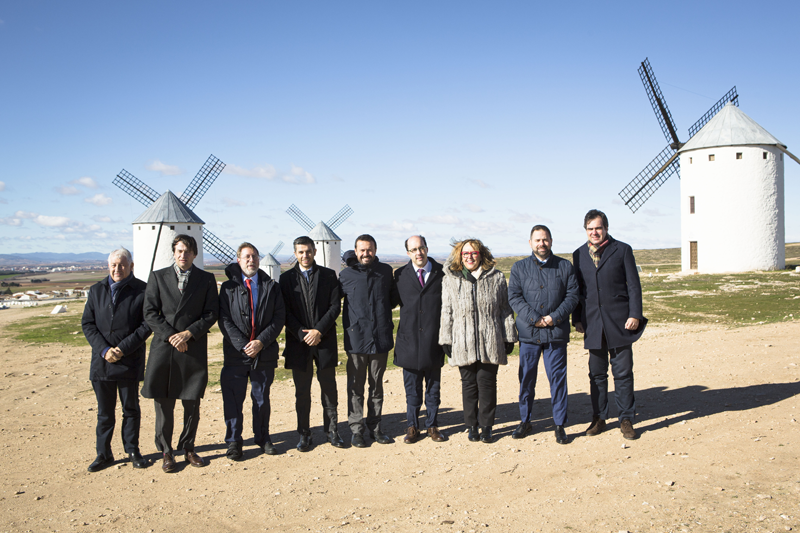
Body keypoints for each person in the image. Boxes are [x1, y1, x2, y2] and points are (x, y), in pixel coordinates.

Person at [142, 234, 219, 472]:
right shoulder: (157, 277)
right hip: (164, 349)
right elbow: (150, 312)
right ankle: (166, 452)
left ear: (195, 253)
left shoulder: (206, 279)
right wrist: (172, 336)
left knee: (191, 403)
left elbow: (211, 313)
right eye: (178, 251)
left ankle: (188, 448)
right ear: (173, 253)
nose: (182, 255)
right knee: (164, 405)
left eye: (187, 251)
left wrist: (188, 334)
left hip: (192, 348)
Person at [572, 209, 647, 440]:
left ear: (606, 228)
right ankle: (599, 417)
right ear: (586, 230)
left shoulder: (622, 250)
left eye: (598, 228)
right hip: (593, 323)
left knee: (623, 373)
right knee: (596, 374)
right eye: (590, 229)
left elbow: (633, 285)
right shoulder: (578, 254)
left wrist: (635, 314)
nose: (594, 232)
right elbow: (577, 290)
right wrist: (577, 319)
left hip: (620, 322)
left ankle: (626, 418)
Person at [439, 239, 517, 443]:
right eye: (465, 254)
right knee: (469, 385)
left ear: (481, 254)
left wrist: (508, 335)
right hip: (462, 340)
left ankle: (487, 426)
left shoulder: (497, 277)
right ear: (460, 256)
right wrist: (446, 338)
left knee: (487, 384)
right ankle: (471, 425)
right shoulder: (450, 279)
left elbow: (505, 309)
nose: (470, 257)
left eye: (474, 253)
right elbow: (446, 311)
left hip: (490, 338)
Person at [81, 248, 151, 472]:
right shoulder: (96, 290)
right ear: (108, 266)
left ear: (131, 266)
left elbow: (146, 325)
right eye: (113, 265)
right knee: (104, 412)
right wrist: (104, 350)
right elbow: (88, 324)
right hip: (102, 363)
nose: (117, 269)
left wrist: (122, 349)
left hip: (128, 360)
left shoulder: (142, 290)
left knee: (130, 409)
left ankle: (132, 450)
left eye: (122, 264)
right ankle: (104, 454)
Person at [508, 225, 578, 444]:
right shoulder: (519, 268)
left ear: (551, 241)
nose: (541, 244)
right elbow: (514, 296)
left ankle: (559, 424)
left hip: (555, 333)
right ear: (530, 243)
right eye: (537, 240)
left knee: (557, 379)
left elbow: (572, 296)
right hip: (529, 334)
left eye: (545, 240)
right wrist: (534, 318)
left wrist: (553, 318)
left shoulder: (565, 266)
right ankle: (525, 420)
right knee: (526, 378)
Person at [218, 242, 285, 460]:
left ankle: (263, 438)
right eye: (246, 256)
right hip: (236, 354)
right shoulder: (228, 288)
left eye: (255, 256)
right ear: (238, 260)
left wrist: (260, 342)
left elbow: (278, 318)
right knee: (234, 400)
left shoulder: (272, 286)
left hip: (263, 353)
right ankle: (234, 442)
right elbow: (224, 319)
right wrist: (242, 344)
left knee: (261, 399)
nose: (251, 260)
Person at [280, 236, 344, 451]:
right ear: (295, 254)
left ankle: (332, 431)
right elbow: (284, 312)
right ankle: (304, 434)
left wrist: (319, 330)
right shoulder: (286, 279)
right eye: (300, 252)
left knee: (329, 388)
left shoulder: (328, 275)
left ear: (315, 251)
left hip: (324, 341)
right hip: (299, 344)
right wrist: (302, 333)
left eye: (308, 251)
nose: (305, 255)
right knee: (302, 392)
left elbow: (335, 306)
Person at [339, 234, 399, 448]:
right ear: (355, 251)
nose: (366, 253)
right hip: (356, 340)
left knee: (376, 386)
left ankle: (375, 427)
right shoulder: (346, 275)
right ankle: (356, 430)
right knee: (355, 386)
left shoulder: (384, 272)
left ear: (375, 250)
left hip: (380, 338)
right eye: (362, 250)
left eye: (369, 249)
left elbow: (393, 299)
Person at [393, 235, 446, 444]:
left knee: (433, 389)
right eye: (413, 249)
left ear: (427, 248)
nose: (418, 253)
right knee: (412, 391)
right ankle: (412, 426)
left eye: (421, 248)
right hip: (409, 343)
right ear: (408, 253)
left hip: (434, 341)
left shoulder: (442, 273)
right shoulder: (399, 276)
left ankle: (433, 426)